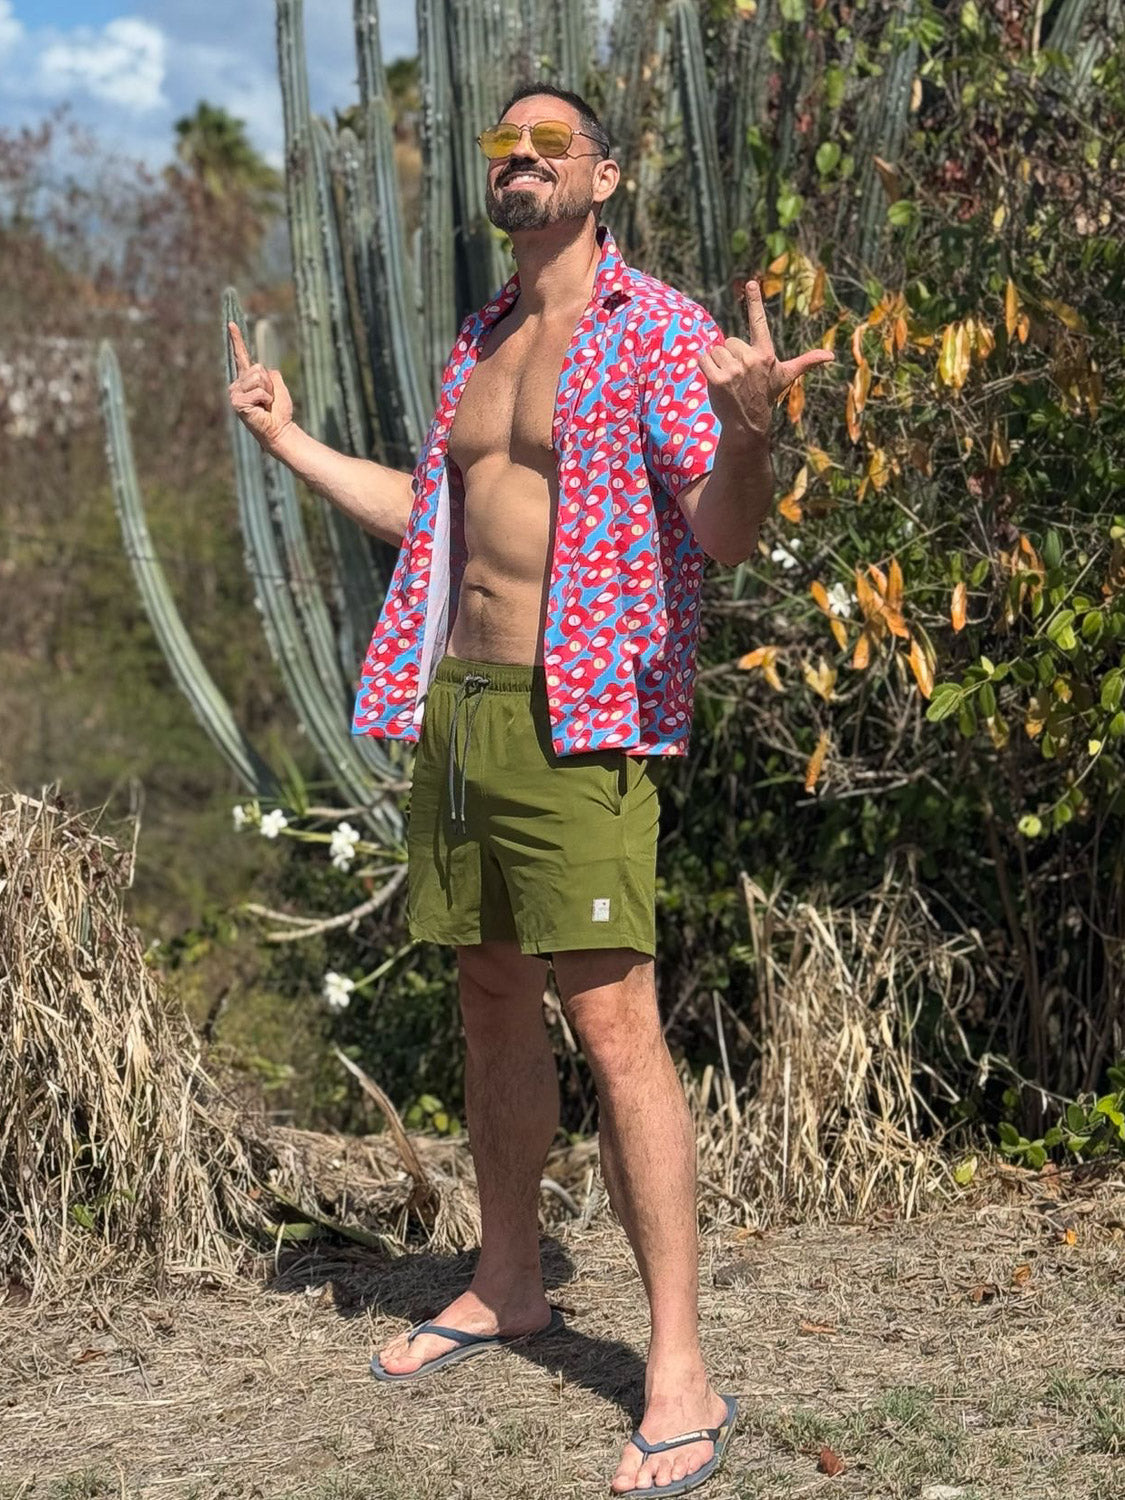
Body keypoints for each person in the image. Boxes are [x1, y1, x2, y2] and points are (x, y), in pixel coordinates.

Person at [228, 81, 834, 1498]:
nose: (517, 161)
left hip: (584, 718)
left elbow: (722, 538)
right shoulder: (482, 337)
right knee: (488, 990)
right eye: (502, 145)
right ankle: (508, 1280)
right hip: (465, 705)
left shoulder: (660, 333)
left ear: (603, 175)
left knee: (614, 1024)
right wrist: (287, 441)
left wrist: (751, 434)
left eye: (547, 143)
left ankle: (677, 1367)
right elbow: (440, 516)